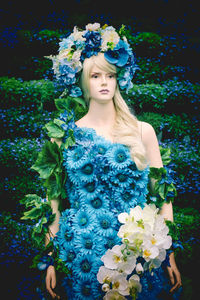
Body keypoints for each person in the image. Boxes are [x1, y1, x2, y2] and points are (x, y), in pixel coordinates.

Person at [36, 24, 182, 299]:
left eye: (110, 75)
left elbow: (163, 197)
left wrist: (170, 252)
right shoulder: (63, 138)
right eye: (95, 75)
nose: (104, 82)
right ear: (81, 80)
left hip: (136, 256)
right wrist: (50, 261)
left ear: (118, 80)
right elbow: (52, 206)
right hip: (82, 255)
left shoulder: (142, 131)